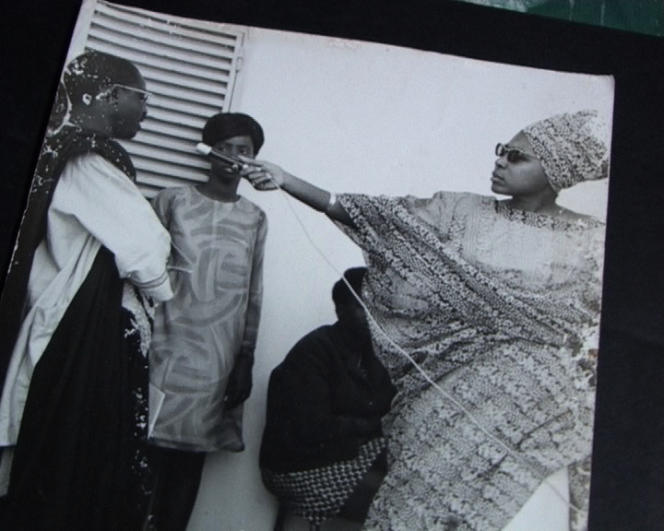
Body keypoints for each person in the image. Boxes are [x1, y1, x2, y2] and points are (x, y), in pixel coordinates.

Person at [242, 110, 608, 530]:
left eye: (517, 157)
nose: (501, 161)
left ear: (555, 171)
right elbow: (372, 217)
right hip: (441, 398)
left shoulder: (594, 241)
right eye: (501, 152)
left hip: (534, 411)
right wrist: (287, 179)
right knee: (409, 510)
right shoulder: (459, 211)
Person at [0, 51, 173, 530]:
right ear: (112, 94)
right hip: (75, 329)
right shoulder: (89, 160)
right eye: (142, 99)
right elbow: (146, 250)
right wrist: (162, 292)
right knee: (72, 455)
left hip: (49, 313)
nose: (147, 111)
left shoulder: (53, 147)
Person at [145, 112, 268, 531]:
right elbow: (142, 268)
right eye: (227, 148)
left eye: (245, 151)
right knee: (143, 453)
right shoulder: (172, 200)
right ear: (209, 151)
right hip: (163, 345)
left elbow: (253, 293)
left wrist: (245, 359)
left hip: (217, 359)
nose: (235, 157)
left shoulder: (255, 218)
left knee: (189, 460)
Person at [260, 267, 396, 530]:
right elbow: (312, 428)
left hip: (345, 453)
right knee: (386, 489)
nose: (372, 317)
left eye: (378, 307)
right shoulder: (314, 351)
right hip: (297, 464)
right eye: (362, 307)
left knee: (406, 471)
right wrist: (368, 427)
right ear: (340, 311)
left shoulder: (376, 355)